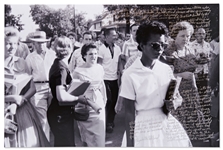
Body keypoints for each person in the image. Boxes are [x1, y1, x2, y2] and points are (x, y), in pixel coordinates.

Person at [119, 21, 191, 147]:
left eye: (163, 45)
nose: (161, 50)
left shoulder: (166, 69)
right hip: (143, 129)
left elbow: (177, 98)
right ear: (142, 45)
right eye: (155, 45)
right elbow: (129, 113)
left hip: (166, 124)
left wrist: (174, 102)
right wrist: (131, 145)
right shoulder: (129, 74)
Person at [163, 21, 209, 143]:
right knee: (178, 125)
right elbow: (163, 75)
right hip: (177, 92)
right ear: (175, 36)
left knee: (193, 124)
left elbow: (194, 69)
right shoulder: (168, 53)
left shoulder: (190, 50)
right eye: (182, 36)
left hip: (191, 92)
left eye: (188, 36)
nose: (186, 38)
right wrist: (180, 75)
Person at [4, 26, 50, 147]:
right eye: (8, 44)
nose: (12, 47)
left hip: (23, 108)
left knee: (29, 142)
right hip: (4, 111)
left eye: (15, 44)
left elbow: (32, 88)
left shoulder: (21, 62)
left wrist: (22, 99)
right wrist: (12, 99)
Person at [47, 36, 86, 147]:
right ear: (71, 48)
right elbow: (61, 97)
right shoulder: (61, 68)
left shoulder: (59, 64)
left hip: (59, 113)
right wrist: (78, 99)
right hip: (60, 115)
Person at [72, 44, 107, 147]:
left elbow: (102, 85)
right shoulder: (78, 71)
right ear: (84, 56)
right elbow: (74, 91)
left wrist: (104, 101)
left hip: (98, 103)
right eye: (90, 54)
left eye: (95, 54)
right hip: (84, 104)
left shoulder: (100, 68)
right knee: (88, 138)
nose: (94, 56)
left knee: (100, 137)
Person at [25, 31, 57, 142]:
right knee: (42, 119)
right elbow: (27, 77)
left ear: (46, 42)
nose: (41, 45)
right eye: (38, 43)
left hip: (53, 87)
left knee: (54, 115)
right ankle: (45, 144)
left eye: (43, 42)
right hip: (38, 89)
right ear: (33, 44)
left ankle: (57, 141)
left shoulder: (53, 54)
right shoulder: (29, 58)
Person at [98, 27, 122, 133]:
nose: (115, 36)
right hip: (105, 79)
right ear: (106, 37)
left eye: (116, 35)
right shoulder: (101, 49)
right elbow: (98, 64)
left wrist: (120, 75)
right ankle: (106, 123)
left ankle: (110, 121)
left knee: (114, 101)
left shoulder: (118, 48)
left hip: (114, 79)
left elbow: (119, 62)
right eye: (113, 35)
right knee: (108, 101)